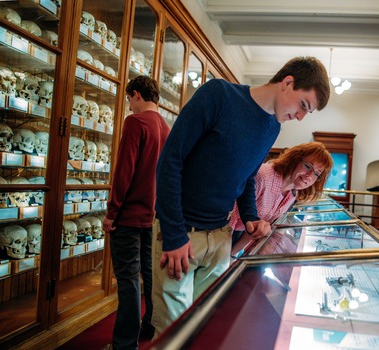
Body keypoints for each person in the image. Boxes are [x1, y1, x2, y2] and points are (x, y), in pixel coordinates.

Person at [151, 56, 330, 336]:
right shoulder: (219, 95)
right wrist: (174, 234)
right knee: (172, 332)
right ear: (287, 83)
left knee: (203, 326)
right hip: (182, 234)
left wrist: (250, 218)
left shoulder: (272, 128)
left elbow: (246, 177)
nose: (300, 116)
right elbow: (170, 162)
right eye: (303, 105)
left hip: (221, 236)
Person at [103, 75, 170, 349]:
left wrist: (111, 213)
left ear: (136, 95)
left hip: (128, 217)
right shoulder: (166, 127)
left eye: (130, 99)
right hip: (152, 217)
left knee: (128, 280)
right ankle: (149, 327)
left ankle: (124, 344)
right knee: (150, 275)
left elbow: (124, 172)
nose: (130, 105)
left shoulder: (136, 122)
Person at [229, 141, 333, 245]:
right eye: (307, 166)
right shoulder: (263, 177)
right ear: (294, 159)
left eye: (316, 174)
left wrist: (233, 255)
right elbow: (230, 216)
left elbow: (256, 229)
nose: (309, 175)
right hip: (224, 231)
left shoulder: (293, 192)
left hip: (241, 234)